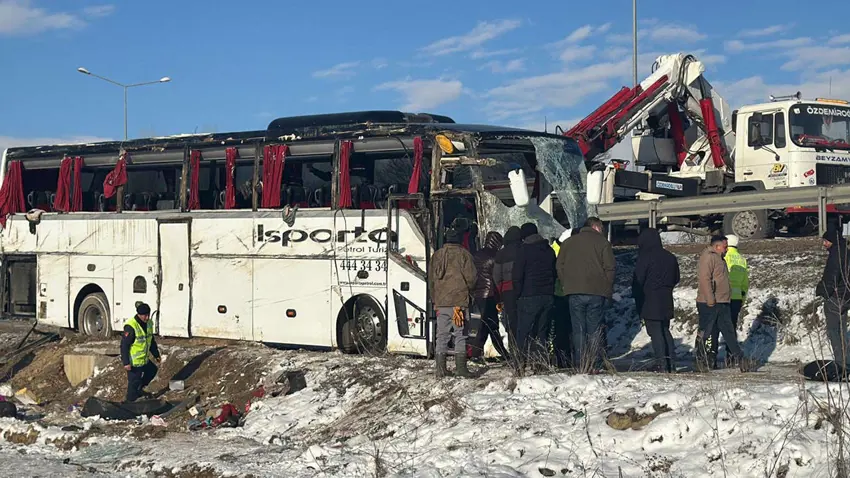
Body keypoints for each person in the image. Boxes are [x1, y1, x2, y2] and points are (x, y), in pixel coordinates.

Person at [558, 217, 616, 372]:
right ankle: (595, 363)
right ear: (596, 227)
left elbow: (559, 266)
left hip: (574, 291)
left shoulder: (568, 243)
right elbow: (610, 268)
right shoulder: (603, 243)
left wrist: (566, 283)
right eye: (601, 228)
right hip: (596, 291)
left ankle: (580, 364)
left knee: (578, 329)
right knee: (594, 329)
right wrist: (607, 289)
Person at [695, 235, 754, 372]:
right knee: (706, 332)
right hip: (710, 302)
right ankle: (701, 359)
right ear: (717, 246)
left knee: (728, 332)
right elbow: (704, 279)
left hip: (722, 301)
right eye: (725, 247)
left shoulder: (720, 258)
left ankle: (740, 359)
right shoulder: (708, 257)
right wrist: (710, 299)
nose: (727, 249)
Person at [429, 227, 478, 378]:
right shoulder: (464, 255)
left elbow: (431, 280)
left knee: (442, 335)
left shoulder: (436, 255)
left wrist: (435, 299)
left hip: (441, 302)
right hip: (459, 303)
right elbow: (472, 279)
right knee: (460, 334)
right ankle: (461, 369)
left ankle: (440, 369)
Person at [632, 228, 680, 373]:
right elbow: (676, 278)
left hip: (650, 299)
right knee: (665, 330)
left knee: (655, 333)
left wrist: (637, 297)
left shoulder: (645, 257)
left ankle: (661, 364)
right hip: (666, 298)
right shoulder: (670, 256)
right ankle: (671, 363)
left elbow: (638, 279)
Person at [513, 222, 557, 373]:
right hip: (547, 295)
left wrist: (517, 295)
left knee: (523, 332)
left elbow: (517, 276)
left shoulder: (523, 251)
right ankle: (540, 363)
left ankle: (520, 364)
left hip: (528, 295)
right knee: (541, 332)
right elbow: (554, 273)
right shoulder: (548, 250)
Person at [471, 231, 511, 361]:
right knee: (490, 325)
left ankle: (500, 353)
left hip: (478, 294)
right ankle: (477, 354)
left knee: (488, 325)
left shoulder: (477, 255)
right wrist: (500, 299)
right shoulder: (496, 256)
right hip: (490, 294)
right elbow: (496, 279)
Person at [710, 234, 749, 367]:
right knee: (731, 327)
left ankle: (712, 356)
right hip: (737, 298)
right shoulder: (742, 259)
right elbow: (745, 283)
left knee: (716, 327)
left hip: (723, 297)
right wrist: (742, 298)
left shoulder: (723, 256)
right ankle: (731, 357)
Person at [816, 227, 850, 371]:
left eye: (826, 241)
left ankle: (841, 365)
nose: (824, 244)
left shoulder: (836, 255)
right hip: (846, 297)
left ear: (832, 241)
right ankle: (847, 361)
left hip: (835, 297)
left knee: (834, 331)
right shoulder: (846, 252)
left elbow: (832, 276)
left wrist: (822, 291)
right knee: (842, 331)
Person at [121, 303, 161, 402]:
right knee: (134, 383)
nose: (147, 318)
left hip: (144, 359)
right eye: (144, 315)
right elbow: (124, 345)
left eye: (148, 315)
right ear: (139, 314)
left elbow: (151, 341)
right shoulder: (131, 326)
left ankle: (138, 390)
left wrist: (156, 355)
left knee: (152, 370)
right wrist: (126, 362)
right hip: (134, 362)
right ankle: (129, 403)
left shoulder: (149, 323)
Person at [551, 228, 578, 368]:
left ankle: (562, 359)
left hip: (559, 293)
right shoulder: (572, 249)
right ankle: (571, 358)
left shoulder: (555, 248)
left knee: (561, 329)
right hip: (568, 293)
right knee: (571, 328)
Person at [493, 226, 522, 360]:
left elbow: (496, 275)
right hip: (522, 290)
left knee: (511, 322)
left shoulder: (501, 253)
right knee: (524, 320)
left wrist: (501, 290)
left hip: (507, 291)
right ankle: (525, 351)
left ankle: (514, 352)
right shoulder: (523, 249)